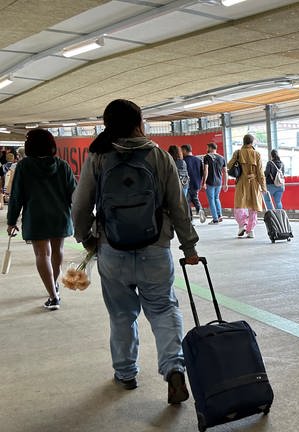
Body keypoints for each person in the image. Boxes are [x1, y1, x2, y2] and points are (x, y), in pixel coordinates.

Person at [71, 99, 199, 404]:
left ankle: (126, 373)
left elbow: (79, 206)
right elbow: (178, 206)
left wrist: (86, 238)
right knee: (164, 309)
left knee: (121, 314)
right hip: (154, 247)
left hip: (112, 251)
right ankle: (174, 369)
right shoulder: (157, 155)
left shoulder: (98, 157)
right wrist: (189, 245)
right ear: (139, 121)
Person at [5, 129, 76, 310]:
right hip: (60, 216)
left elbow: (16, 196)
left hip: (36, 217)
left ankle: (53, 296)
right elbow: (74, 194)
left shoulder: (24, 166)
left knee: (42, 254)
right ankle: (55, 286)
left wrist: (11, 220)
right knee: (57, 251)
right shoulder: (63, 165)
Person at [227, 134, 266, 238]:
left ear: (243, 141)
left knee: (239, 206)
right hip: (254, 183)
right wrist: (263, 187)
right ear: (252, 142)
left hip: (241, 183)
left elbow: (229, 165)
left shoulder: (238, 153)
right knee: (253, 207)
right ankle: (251, 230)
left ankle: (242, 225)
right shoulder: (257, 154)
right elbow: (261, 173)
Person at [201, 142, 228, 224]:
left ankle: (215, 219)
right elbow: (225, 172)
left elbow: (206, 170)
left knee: (211, 200)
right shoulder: (222, 158)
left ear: (210, 148)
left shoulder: (207, 157)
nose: (207, 149)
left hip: (210, 182)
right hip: (219, 182)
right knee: (216, 198)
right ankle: (220, 215)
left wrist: (204, 182)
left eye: (208, 147)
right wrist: (225, 183)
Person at [182, 144, 205, 223]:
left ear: (185, 150)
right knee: (195, 198)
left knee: (187, 201)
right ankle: (200, 209)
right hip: (196, 183)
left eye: (182, 150)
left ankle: (191, 219)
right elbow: (202, 172)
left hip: (187, 184)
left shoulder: (183, 160)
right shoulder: (198, 160)